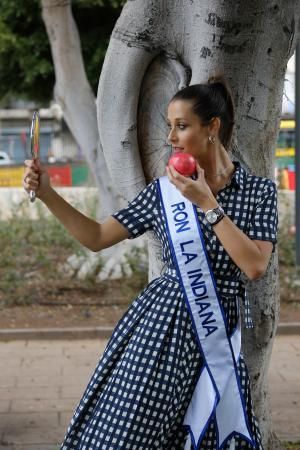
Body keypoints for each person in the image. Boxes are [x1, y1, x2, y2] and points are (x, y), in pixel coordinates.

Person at [23, 77, 278, 450]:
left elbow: (254, 266)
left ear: (213, 128)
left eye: (182, 126)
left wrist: (208, 204)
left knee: (208, 434)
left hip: (217, 332)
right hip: (161, 328)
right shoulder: (163, 193)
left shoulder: (259, 192)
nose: (171, 138)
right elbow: (96, 237)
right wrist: (47, 194)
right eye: (169, 126)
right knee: (130, 432)